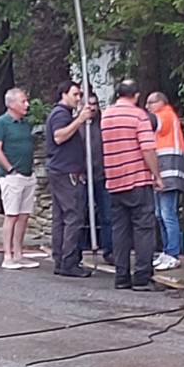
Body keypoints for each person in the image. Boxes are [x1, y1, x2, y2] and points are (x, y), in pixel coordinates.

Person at [101, 79, 164, 291]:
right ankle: (142, 277)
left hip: (114, 179)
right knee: (144, 228)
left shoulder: (106, 115)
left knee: (120, 229)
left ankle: (121, 276)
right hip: (137, 179)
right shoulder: (139, 116)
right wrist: (157, 175)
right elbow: (147, 148)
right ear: (136, 96)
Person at [45, 80, 95, 278]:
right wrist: (80, 120)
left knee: (60, 218)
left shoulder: (62, 114)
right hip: (66, 173)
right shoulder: (60, 114)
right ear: (63, 94)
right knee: (73, 216)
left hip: (60, 171)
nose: (78, 99)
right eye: (75, 94)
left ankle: (61, 259)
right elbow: (59, 136)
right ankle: (69, 261)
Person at [0, 88, 39, 270]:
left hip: (27, 174)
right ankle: (7, 255)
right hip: (12, 176)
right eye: (23, 101)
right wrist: (10, 169)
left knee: (24, 216)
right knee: (11, 215)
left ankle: (19, 253)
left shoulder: (25, 124)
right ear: (11, 104)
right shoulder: (2, 123)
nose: (27, 105)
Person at [145, 91, 184, 271]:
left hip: (169, 172)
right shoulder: (164, 116)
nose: (147, 107)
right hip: (162, 172)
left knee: (167, 214)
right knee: (160, 214)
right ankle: (167, 251)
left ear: (161, 102)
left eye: (150, 103)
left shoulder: (166, 115)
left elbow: (152, 124)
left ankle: (172, 253)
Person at [78, 91, 113, 263]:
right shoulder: (77, 125)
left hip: (102, 175)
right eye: (88, 103)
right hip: (82, 177)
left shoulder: (104, 124)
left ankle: (110, 251)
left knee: (107, 215)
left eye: (94, 103)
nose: (92, 107)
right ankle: (76, 252)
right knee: (78, 214)